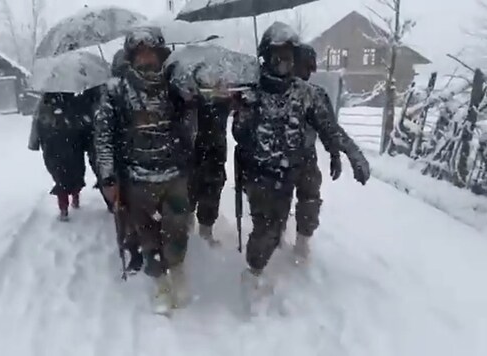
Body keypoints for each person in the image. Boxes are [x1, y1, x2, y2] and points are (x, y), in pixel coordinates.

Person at [232, 22, 370, 312]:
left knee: (288, 217)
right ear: (266, 57)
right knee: (266, 231)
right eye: (277, 55)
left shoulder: (308, 94)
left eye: (288, 55)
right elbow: (239, 137)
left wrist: (350, 154)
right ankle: (252, 275)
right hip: (260, 174)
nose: (283, 62)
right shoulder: (251, 93)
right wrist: (242, 114)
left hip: (292, 169)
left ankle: (289, 246)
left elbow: (330, 129)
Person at [94, 26, 196, 314]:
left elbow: (194, 103)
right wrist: (107, 177)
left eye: (150, 52)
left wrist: (184, 80)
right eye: (139, 53)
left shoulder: (172, 84)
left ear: (160, 54)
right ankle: (160, 284)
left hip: (173, 173)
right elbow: (103, 137)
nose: (145, 58)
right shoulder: (115, 91)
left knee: (177, 229)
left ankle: (177, 270)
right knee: (147, 234)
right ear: (131, 57)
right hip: (138, 178)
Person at [281, 43, 370, 263]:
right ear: (293, 65)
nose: (310, 72)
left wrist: (338, 154)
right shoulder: (276, 91)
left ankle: (302, 242)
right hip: (278, 157)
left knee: (310, 197)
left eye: (312, 67)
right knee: (278, 200)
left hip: (306, 155)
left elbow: (330, 128)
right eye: (305, 66)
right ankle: (276, 235)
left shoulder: (315, 94)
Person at [30, 91, 93, 221]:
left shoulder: (44, 103)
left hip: (52, 146)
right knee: (76, 172)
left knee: (60, 177)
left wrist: (34, 143)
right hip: (73, 144)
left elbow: (36, 123)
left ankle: (63, 209)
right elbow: (84, 123)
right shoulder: (74, 101)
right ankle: (75, 197)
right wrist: (88, 142)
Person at [188, 95, 231, 246]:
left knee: (212, 189)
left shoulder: (225, 84)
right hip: (190, 145)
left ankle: (205, 234)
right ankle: (187, 232)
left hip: (216, 150)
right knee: (188, 189)